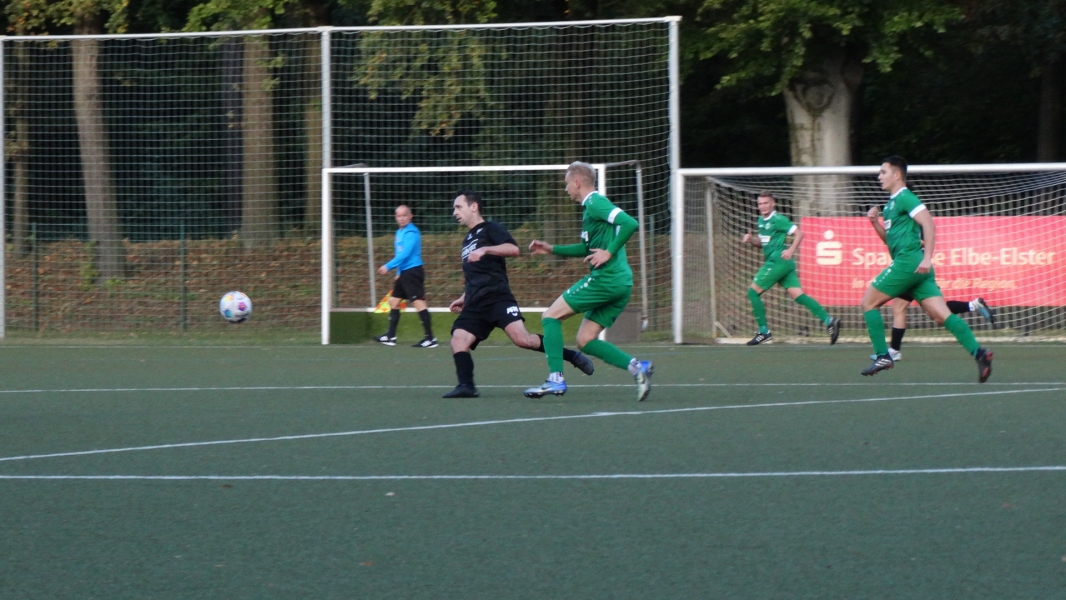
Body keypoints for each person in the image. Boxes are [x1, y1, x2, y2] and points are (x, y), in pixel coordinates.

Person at [443, 190, 594, 399]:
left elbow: (513, 249)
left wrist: (486, 249)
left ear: (474, 207)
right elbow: (476, 275)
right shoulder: (467, 239)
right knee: (458, 339)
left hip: (497, 297)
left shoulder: (491, 228)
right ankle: (466, 386)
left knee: (523, 340)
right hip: (475, 302)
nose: (455, 212)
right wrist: (464, 297)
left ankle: (571, 356)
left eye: (458, 207)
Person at [525, 162, 654, 401]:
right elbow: (586, 248)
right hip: (621, 284)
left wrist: (609, 252)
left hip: (606, 279)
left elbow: (630, 223)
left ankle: (555, 379)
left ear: (577, 182)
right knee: (585, 340)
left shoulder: (595, 202)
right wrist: (552, 249)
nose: (566, 189)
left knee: (550, 316)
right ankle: (637, 368)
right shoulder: (590, 210)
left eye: (567, 184)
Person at [861, 156, 993, 381]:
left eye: (883, 172)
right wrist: (875, 223)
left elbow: (928, 223)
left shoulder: (905, 197)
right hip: (915, 268)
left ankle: (883, 355)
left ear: (897, 175)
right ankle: (979, 353)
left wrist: (927, 258)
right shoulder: (890, 205)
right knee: (942, 316)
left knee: (868, 303)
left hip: (908, 263)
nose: (879, 176)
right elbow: (890, 242)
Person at [741, 192, 841, 346]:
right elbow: (762, 243)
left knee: (753, 293)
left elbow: (799, 234)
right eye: (760, 203)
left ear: (773, 203)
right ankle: (829, 321)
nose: (763, 206)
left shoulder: (778, 219)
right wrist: (750, 240)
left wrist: (791, 250)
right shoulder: (761, 221)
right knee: (799, 296)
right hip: (783, 264)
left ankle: (764, 331)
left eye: (766, 203)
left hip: (778, 261)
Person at [376, 204, 437, 348]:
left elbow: (405, 254)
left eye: (404, 215)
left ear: (410, 216)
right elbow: (400, 254)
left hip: (412, 272)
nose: (401, 218)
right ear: (395, 217)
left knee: (418, 302)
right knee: (394, 301)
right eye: (399, 216)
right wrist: (398, 272)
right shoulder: (399, 232)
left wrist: (388, 266)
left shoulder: (412, 233)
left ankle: (430, 339)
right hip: (404, 272)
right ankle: (390, 336)